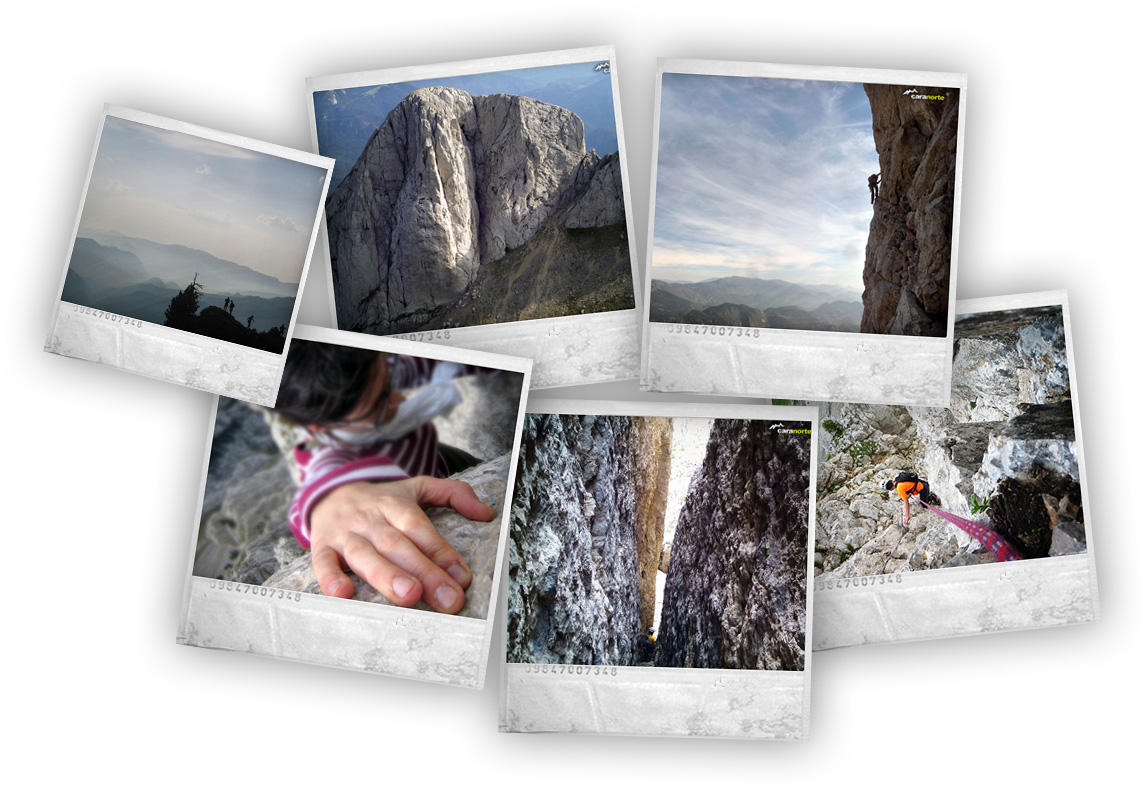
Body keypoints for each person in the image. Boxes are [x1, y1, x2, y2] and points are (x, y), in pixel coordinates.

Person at [274, 339, 493, 614]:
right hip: (428, 474)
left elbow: (422, 364)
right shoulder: (325, 453)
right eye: (379, 403)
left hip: (442, 460)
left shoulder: (369, 370)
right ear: (321, 426)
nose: (399, 400)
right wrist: (332, 499)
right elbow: (320, 482)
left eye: (388, 383)